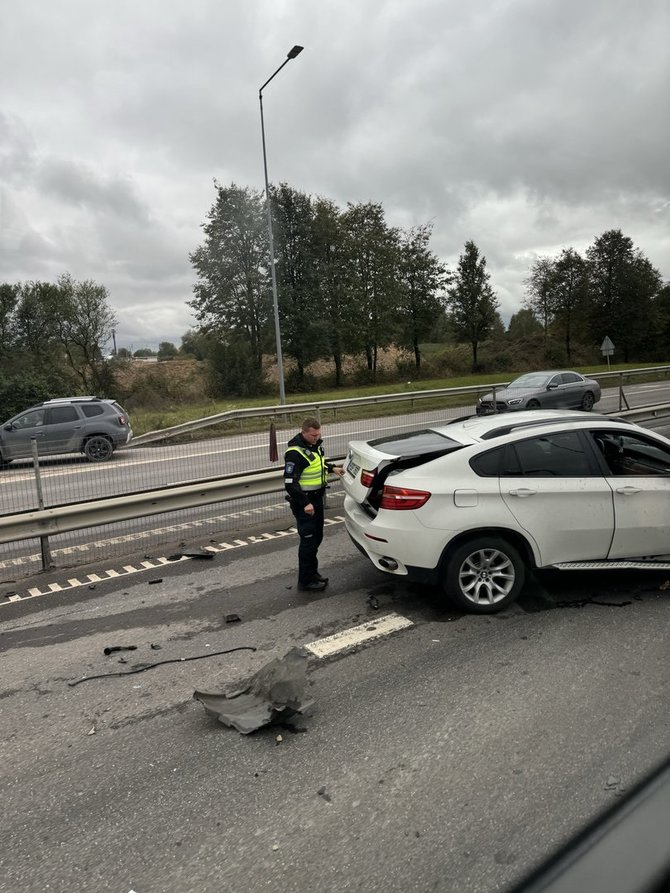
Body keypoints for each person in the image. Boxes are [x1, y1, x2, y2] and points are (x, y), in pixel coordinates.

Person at [284, 417, 345, 592]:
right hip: (305, 503)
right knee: (308, 541)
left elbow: (317, 464)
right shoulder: (295, 453)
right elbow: (290, 483)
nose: (316, 438)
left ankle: (313, 573)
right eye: (313, 435)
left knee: (316, 538)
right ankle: (305, 581)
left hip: (316, 500)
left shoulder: (314, 446)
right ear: (303, 432)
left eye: (318, 434)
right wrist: (305, 503)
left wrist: (332, 467)